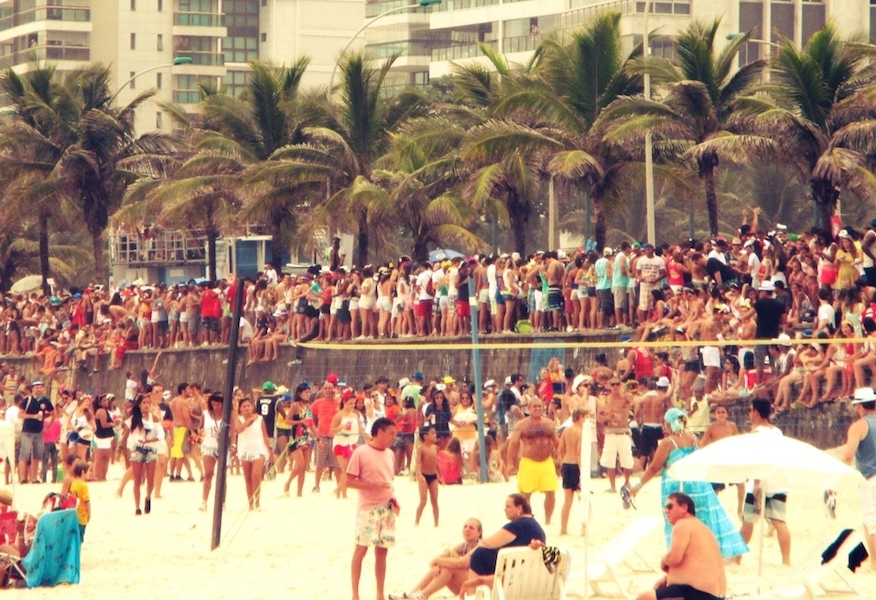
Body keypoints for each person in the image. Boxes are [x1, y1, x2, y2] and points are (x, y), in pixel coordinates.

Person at [628, 408, 747, 559]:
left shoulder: (668, 443)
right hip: (697, 485)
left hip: (677, 485)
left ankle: (682, 553)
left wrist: (637, 487)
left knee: (675, 520)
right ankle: (704, 552)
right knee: (701, 518)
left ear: (668, 423)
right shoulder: (692, 438)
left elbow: (653, 468)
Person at [635, 492, 727, 600]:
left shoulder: (682, 524)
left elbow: (674, 558)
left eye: (670, 506)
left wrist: (663, 560)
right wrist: (668, 577)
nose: (666, 511)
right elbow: (696, 565)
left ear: (684, 507)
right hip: (715, 595)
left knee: (644, 597)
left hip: (698, 594)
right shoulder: (701, 528)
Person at [347, 417, 399, 600]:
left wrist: (392, 499)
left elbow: (388, 480)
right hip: (368, 509)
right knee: (361, 550)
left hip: (387, 507)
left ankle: (379, 594)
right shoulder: (361, 452)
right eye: (391, 433)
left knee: (382, 551)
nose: (394, 437)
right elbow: (348, 481)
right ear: (380, 432)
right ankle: (355, 594)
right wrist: (371, 486)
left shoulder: (390, 454)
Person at [740, 398, 791, 565]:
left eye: (750, 410)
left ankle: (737, 558)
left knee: (748, 520)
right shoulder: (777, 432)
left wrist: (755, 481)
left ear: (755, 412)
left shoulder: (756, 434)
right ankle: (786, 560)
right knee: (779, 521)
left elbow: (757, 458)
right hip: (778, 481)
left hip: (759, 482)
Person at [461, 494, 546, 594]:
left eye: (508, 506)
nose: (505, 509)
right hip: (530, 577)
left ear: (519, 508)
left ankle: (472, 595)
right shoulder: (536, 527)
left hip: (512, 578)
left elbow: (487, 542)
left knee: (479, 554)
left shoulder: (518, 526)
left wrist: (467, 557)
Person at [388, 518, 483, 600]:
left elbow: (461, 563)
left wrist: (438, 562)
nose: (467, 529)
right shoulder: (464, 546)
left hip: (478, 587)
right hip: (465, 585)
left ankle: (423, 595)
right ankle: (410, 595)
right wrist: (436, 565)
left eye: (471, 528)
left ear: (479, 533)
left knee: (449, 567)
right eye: (465, 527)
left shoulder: (480, 546)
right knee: (448, 555)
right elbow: (435, 559)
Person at [506, 398, 559, 524]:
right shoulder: (522, 425)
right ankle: (527, 520)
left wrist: (561, 457)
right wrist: (509, 463)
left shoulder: (549, 423)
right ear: (529, 408)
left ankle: (548, 521)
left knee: (551, 492)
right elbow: (513, 444)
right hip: (529, 462)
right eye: (534, 406)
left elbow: (557, 442)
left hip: (546, 462)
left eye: (540, 406)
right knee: (525, 495)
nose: (537, 409)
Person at [840, 386, 876, 569]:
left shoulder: (859, 426)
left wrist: (837, 477)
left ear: (860, 406)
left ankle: (875, 563)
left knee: (872, 522)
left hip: (870, 478)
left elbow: (848, 456)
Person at [126, 393, 164, 515]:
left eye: (148, 403)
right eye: (144, 403)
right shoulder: (134, 418)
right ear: (139, 404)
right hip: (138, 448)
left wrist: (150, 440)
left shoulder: (154, 418)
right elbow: (128, 434)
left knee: (150, 479)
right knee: (137, 479)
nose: (146, 405)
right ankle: (137, 506)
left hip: (151, 448)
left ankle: (148, 496)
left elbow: (161, 434)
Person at [232, 396, 273, 511]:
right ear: (240, 409)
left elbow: (265, 435)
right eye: (244, 406)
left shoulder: (259, 419)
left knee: (256, 475)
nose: (246, 408)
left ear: (252, 407)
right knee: (248, 478)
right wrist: (249, 420)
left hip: (258, 449)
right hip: (245, 450)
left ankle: (258, 502)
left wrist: (270, 450)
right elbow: (238, 430)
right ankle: (250, 504)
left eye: (248, 406)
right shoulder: (238, 419)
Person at [558, 408, 585, 535]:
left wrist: (562, 463)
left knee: (567, 500)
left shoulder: (566, 431)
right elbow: (579, 452)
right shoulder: (580, 432)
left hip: (566, 464)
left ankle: (563, 528)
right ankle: (583, 529)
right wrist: (582, 470)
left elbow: (560, 449)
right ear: (581, 417)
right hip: (576, 465)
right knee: (582, 498)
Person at [199, 392, 225, 511]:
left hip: (222, 446)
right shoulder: (206, 414)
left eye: (218, 405)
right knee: (208, 473)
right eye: (213, 404)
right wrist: (200, 432)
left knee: (222, 476)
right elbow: (200, 427)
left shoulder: (227, 415)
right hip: (209, 444)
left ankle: (222, 502)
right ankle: (204, 501)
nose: (216, 407)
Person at [415, 426, 441, 527]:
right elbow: (418, 463)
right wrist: (419, 475)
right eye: (432, 433)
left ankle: (436, 524)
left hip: (433, 476)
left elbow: (436, 463)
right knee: (423, 501)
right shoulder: (421, 448)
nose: (435, 435)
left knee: (434, 501)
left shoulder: (435, 447)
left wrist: (441, 475)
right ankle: (417, 522)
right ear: (425, 436)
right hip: (424, 476)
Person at [69, 459, 90, 542]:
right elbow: (87, 501)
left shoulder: (73, 484)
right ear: (82, 472)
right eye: (88, 471)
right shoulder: (83, 486)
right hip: (82, 517)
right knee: (80, 539)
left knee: (74, 538)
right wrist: (89, 513)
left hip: (74, 516)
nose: (90, 473)